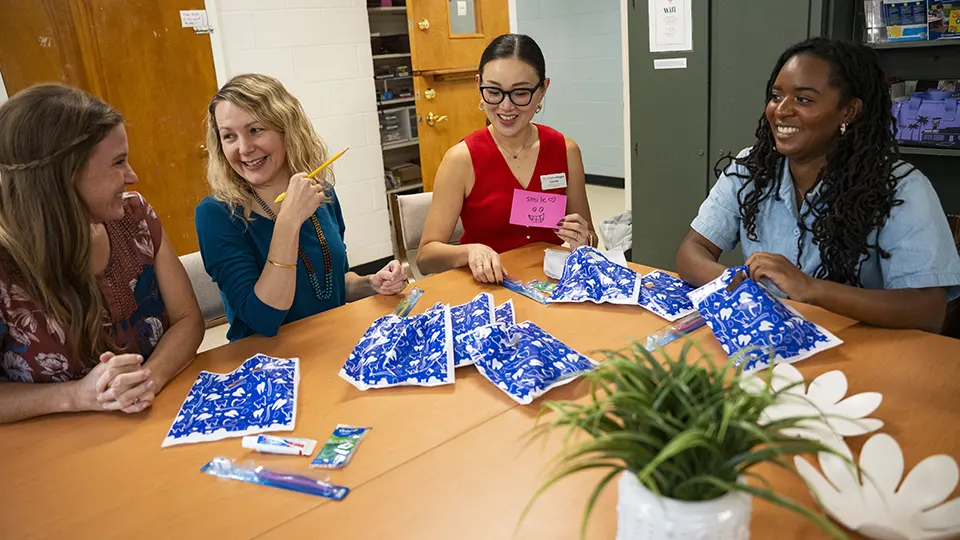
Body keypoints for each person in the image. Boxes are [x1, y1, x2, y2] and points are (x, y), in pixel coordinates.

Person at [677, 38, 960, 334]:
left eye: (803, 99)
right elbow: (692, 251)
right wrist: (738, 283)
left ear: (849, 112)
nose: (781, 111)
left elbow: (927, 310)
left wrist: (811, 289)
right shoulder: (752, 167)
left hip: (861, 355)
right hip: (770, 344)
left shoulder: (901, 188)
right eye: (776, 96)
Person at [0, 84, 204, 423]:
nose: (133, 176)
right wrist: (76, 396)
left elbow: (188, 320)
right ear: (63, 178)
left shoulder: (136, 218)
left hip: (152, 425)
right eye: (119, 162)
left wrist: (147, 380)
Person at [195, 74, 407, 341]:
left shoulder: (320, 193)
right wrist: (288, 223)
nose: (244, 148)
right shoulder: (217, 215)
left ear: (286, 128)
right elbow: (263, 318)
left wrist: (370, 283)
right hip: (268, 364)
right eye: (229, 136)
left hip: (329, 343)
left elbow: (331, 284)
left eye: (255, 130)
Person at [417, 34, 597, 283]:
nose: (505, 106)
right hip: (487, 293)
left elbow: (590, 239)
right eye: (493, 91)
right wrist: (469, 251)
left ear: (543, 90)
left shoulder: (565, 150)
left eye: (520, 93)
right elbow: (426, 258)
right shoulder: (461, 159)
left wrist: (582, 239)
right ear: (479, 85)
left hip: (551, 289)